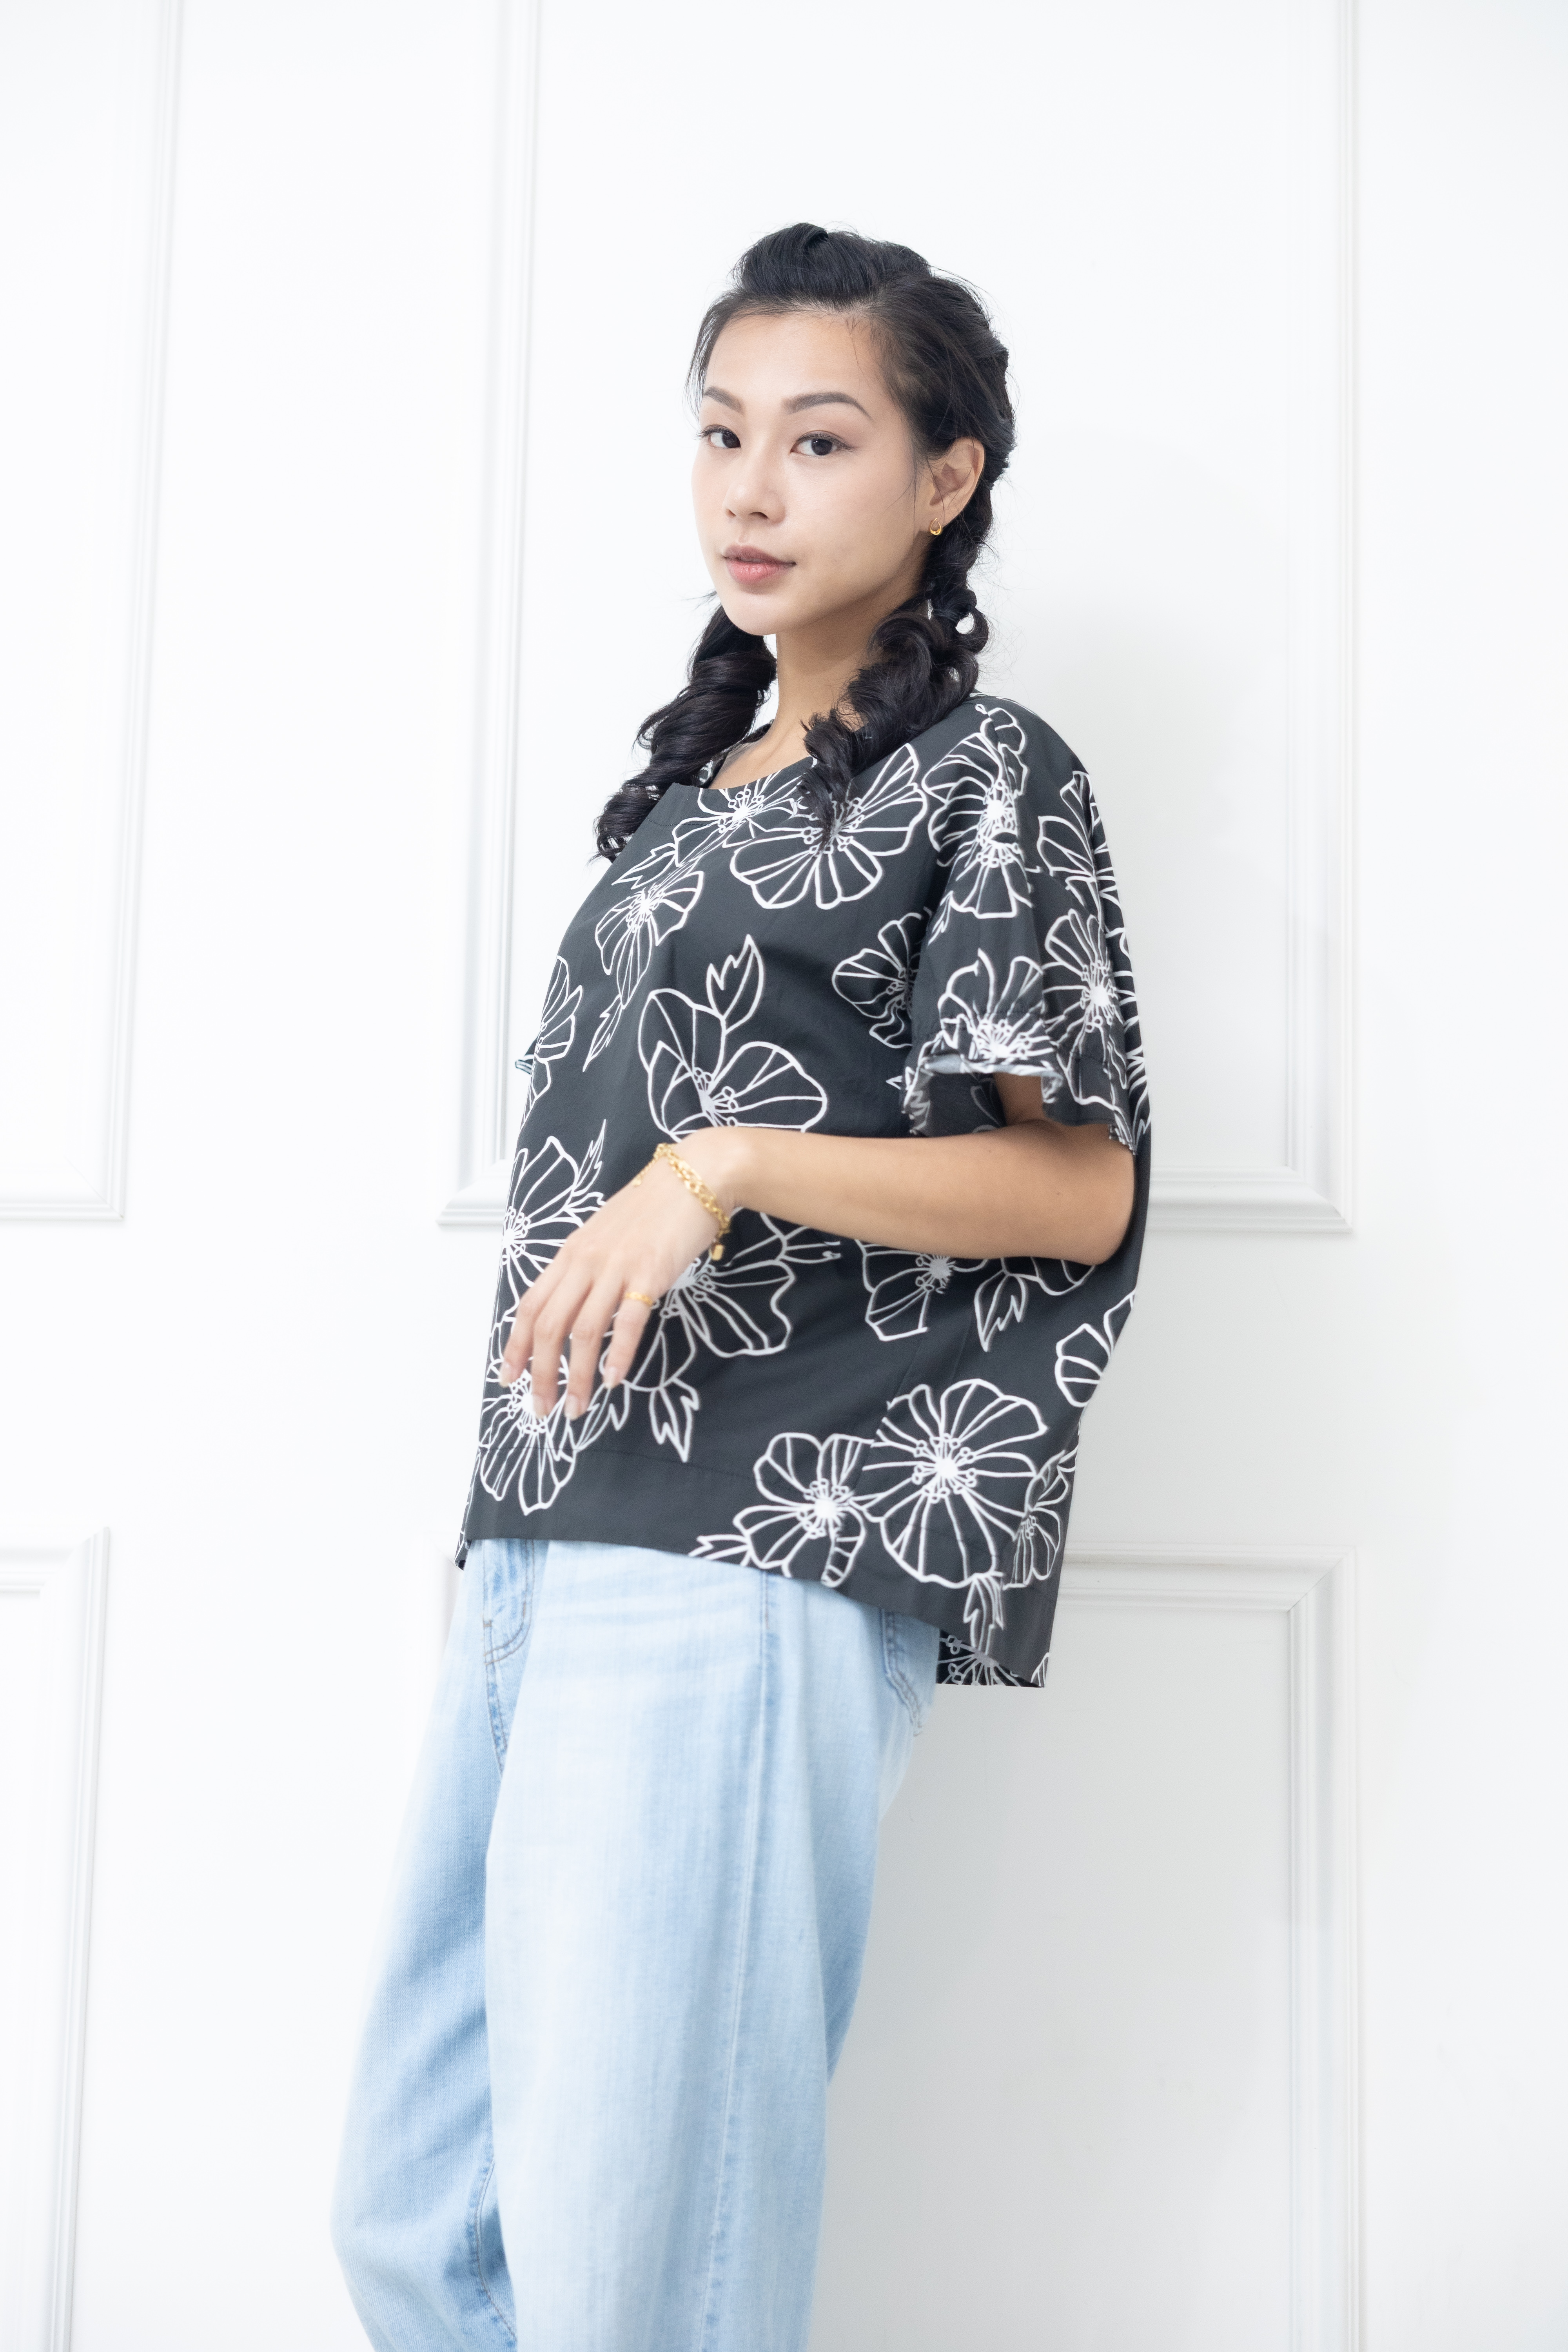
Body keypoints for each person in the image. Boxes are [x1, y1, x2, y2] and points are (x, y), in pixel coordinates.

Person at [331, 221, 1151, 2352]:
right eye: (720, 436)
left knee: (634, 2267)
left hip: (752, 1547)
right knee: (424, 2224)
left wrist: (726, 1165)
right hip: (547, 1531)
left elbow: (1079, 1188)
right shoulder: (684, 805)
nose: (750, 489)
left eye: (819, 439)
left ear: (948, 479)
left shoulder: (989, 776)